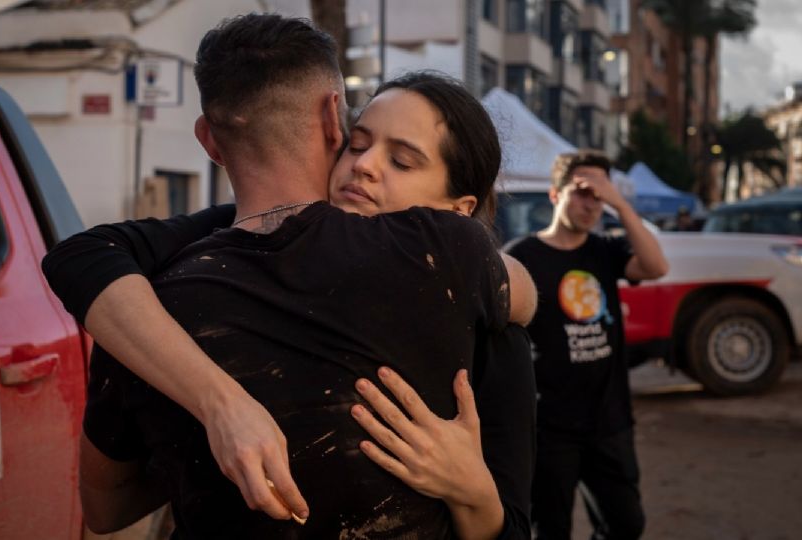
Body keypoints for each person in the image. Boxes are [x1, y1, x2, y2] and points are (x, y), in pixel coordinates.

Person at [43, 15, 535, 539]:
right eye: (359, 142)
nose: (366, 165)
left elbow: (105, 509)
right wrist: (217, 413)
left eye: (403, 161)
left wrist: (475, 492)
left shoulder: (141, 313)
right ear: (334, 122)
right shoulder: (152, 305)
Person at [503, 150, 668, 540]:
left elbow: (656, 267)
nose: (591, 203)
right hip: (548, 427)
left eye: (600, 194)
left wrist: (620, 204)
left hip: (609, 422)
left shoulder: (604, 250)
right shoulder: (520, 257)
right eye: (582, 191)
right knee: (550, 530)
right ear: (555, 195)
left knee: (627, 524)